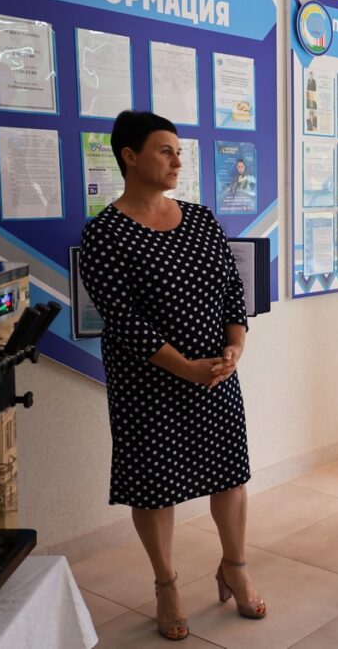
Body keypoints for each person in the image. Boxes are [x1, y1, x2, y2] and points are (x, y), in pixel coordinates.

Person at [79, 111, 267, 641]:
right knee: (154, 487)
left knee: (229, 474)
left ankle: (235, 566)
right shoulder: (104, 233)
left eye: (178, 152)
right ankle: (166, 584)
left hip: (214, 374)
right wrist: (184, 367)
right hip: (148, 382)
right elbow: (122, 318)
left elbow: (232, 290)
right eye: (165, 151)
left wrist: (235, 346)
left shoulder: (201, 219)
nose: (177, 161)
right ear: (129, 156)